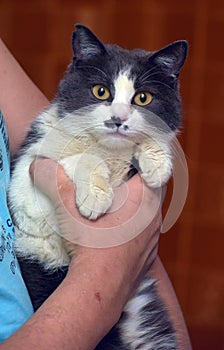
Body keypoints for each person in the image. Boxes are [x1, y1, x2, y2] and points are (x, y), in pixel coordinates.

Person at [0, 37, 192, 349]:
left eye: (141, 99)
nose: (119, 115)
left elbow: (137, 248)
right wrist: (105, 272)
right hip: (58, 301)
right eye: (102, 93)